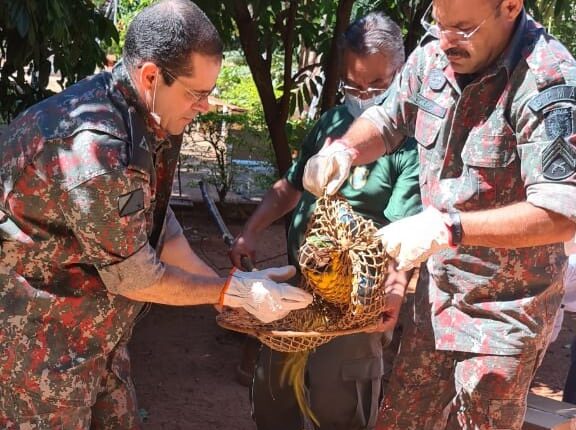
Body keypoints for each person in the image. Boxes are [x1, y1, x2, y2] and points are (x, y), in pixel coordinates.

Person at [0, 1, 312, 428]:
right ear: (150, 76)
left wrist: (233, 285)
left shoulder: (143, 114)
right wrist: (228, 293)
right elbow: (137, 275)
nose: (204, 105)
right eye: (196, 92)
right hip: (36, 349)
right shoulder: (96, 149)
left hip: (96, 337)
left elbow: (157, 224)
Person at [302, 0, 576, 428]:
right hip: (436, 301)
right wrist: (345, 150)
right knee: (399, 421)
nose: (446, 41)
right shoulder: (433, 56)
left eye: (463, 28)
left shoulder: (548, 79)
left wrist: (450, 227)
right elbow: (389, 118)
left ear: (510, 7)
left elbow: (561, 211)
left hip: (505, 313)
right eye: (440, 23)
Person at [230, 12, 421, 430]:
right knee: (274, 397)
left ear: (402, 74)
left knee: (340, 407)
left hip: (357, 305)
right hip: (299, 289)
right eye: (352, 85)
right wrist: (251, 231)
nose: (363, 95)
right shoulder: (333, 122)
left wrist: (393, 291)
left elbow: (404, 238)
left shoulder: (412, 142)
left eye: (377, 85)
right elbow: (292, 186)